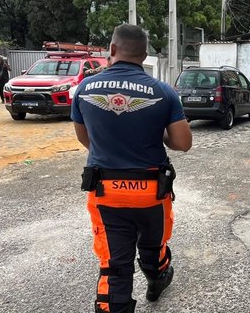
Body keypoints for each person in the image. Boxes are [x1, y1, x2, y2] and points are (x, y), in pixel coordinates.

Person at [71, 24, 192, 313]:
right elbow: (182, 142)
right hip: (151, 191)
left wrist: (109, 152)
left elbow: (84, 137)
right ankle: (157, 278)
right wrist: (156, 134)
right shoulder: (164, 92)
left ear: (112, 50)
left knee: (114, 265)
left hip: (106, 191)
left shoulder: (85, 88)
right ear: (145, 55)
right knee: (153, 244)